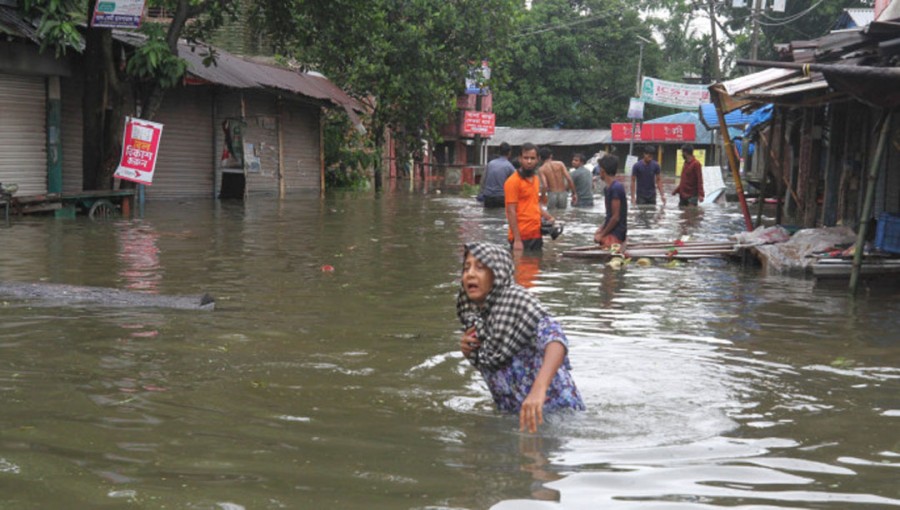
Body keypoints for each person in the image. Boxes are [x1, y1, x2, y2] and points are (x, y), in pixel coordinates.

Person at [457, 242, 585, 433]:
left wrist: (538, 390)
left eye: (480, 267)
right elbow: (498, 368)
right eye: (466, 268)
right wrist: (469, 352)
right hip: (516, 421)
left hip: (559, 417)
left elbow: (556, 338)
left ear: (497, 273)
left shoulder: (518, 300)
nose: (470, 274)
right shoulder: (480, 318)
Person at [505, 143, 556, 252]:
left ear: (538, 159)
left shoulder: (536, 179)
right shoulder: (513, 181)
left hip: (536, 234)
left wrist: (549, 217)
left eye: (532, 158)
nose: (529, 161)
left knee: (535, 266)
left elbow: (534, 204)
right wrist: (517, 240)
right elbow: (511, 211)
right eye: (526, 158)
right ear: (520, 159)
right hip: (520, 237)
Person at [594, 155, 627, 249]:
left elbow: (615, 217)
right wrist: (601, 229)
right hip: (611, 230)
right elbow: (609, 215)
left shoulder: (615, 188)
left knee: (601, 240)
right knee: (597, 236)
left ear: (603, 171)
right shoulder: (607, 188)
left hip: (617, 233)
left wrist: (602, 234)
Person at [480, 142, 516, 208]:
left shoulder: (490, 164)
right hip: (501, 198)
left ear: (499, 151)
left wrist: (482, 193)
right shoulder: (509, 167)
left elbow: (483, 180)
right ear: (509, 153)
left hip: (488, 197)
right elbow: (516, 184)